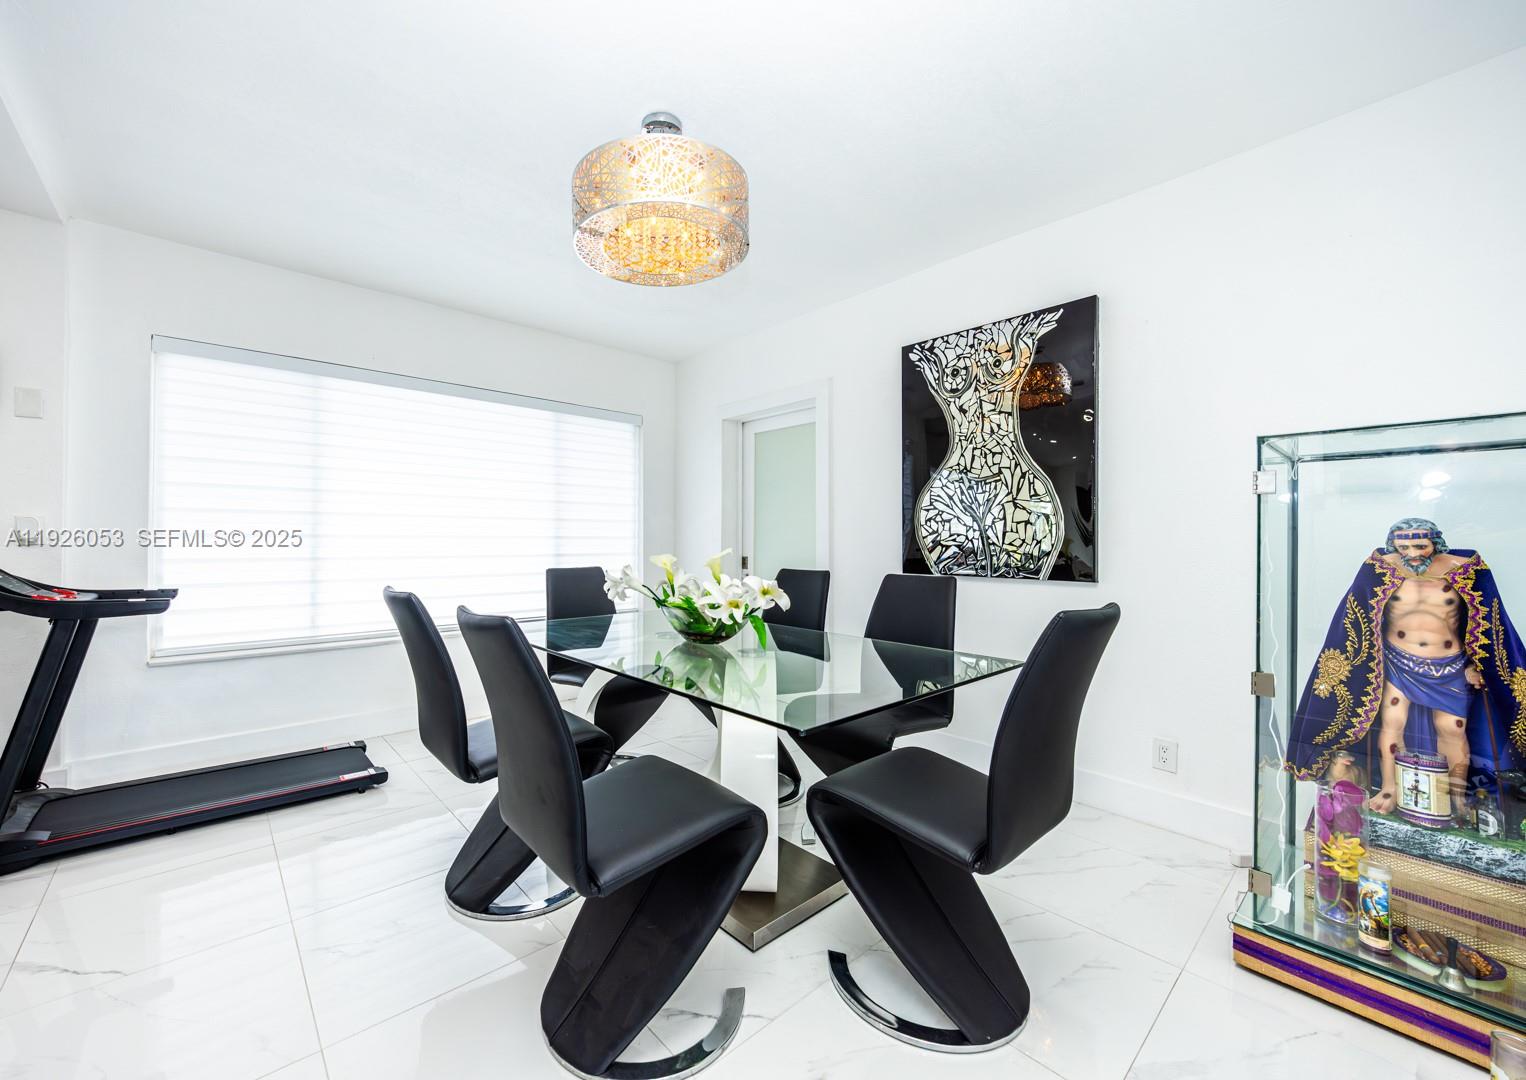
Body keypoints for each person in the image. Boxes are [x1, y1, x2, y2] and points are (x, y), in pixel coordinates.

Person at [1286, 518, 1526, 810]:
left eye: (1420, 546)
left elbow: (1488, 622)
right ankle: (1390, 789)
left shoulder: (1466, 570)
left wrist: (1477, 663)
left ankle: (1456, 794)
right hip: (1398, 663)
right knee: (1392, 723)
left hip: (1448, 666)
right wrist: (1373, 663)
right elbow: (1355, 621)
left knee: (1452, 728)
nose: (1412, 554)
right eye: (1403, 547)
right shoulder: (1379, 569)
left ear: (1435, 544)